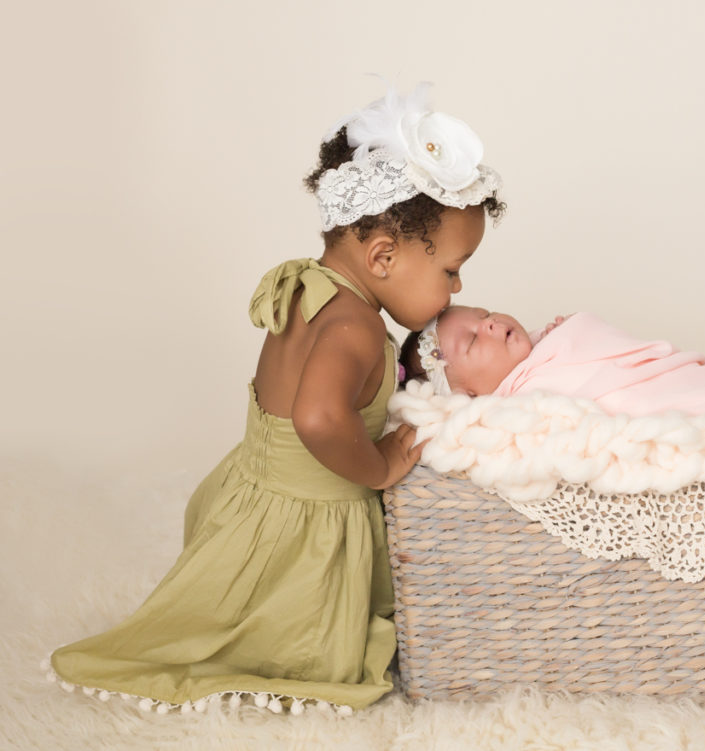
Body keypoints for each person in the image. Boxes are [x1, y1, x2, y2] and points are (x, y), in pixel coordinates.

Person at [49, 84, 505, 714]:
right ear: (381, 255)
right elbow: (318, 419)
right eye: (452, 269)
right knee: (318, 649)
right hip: (303, 528)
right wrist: (380, 466)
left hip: (250, 492)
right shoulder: (356, 330)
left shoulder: (308, 286)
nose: (458, 285)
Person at [401, 305, 705, 435]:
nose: (487, 324)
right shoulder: (511, 408)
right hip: (625, 395)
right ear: (468, 396)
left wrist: (559, 333)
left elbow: (604, 352)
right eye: (471, 341)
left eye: (484, 314)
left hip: (647, 378)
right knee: (631, 402)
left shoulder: (532, 351)